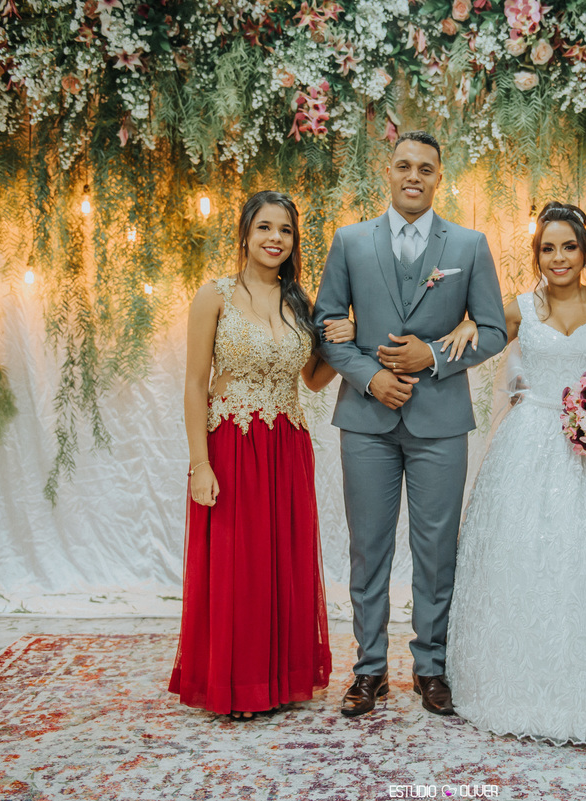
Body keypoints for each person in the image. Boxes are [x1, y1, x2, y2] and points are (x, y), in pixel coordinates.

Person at [444, 201, 586, 748]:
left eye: (569, 246)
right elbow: (481, 333)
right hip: (530, 442)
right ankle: (518, 684)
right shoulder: (520, 308)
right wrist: (467, 324)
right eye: (548, 248)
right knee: (526, 556)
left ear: (585, 252)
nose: (559, 257)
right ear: (537, 255)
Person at [312, 131, 507, 718]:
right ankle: (369, 669)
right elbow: (327, 326)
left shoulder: (469, 245)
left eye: (425, 167)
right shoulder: (349, 241)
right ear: (388, 173)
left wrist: (435, 356)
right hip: (366, 419)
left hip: (440, 422)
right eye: (403, 165)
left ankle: (431, 667)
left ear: (439, 177)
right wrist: (370, 377)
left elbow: (493, 329)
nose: (413, 176)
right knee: (368, 548)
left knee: (436, 549)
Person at [169, 190, 354, 720]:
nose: (276, 238)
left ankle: (281, 680)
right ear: (246, 235)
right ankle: (238, 685)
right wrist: (200, 463)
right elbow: (194, 383)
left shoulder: (299, 304)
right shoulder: (214, 296)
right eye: (265, 228)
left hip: (286, 445)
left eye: (286, 230)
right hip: (232, 442)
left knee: (281, 565)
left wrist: (349, 338)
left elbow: (313, 380)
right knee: (239, 567)